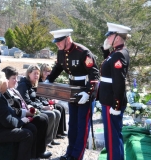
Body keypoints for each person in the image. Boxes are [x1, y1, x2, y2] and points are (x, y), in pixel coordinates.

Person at [46, 29, 100, 160]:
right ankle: (69, 153)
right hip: (72, 89)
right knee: (72, 124)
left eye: (59, 42)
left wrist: (88, 93)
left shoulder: (83, 52)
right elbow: (58, 67)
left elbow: (94, 75)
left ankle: (77, 156)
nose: (57, 45)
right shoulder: (61, 52)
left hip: (85, 90)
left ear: (68, 39)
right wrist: (49, 80)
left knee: (82, 125)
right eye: (56, 42)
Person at [0, 71, 36, 160]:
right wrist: (21, 121)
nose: (7, 80)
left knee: (30, 127)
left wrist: (23, 116)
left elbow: (10, 113)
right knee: (27, 134)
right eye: (5, 79)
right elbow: (8, 122)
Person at [1, 66, 52, 158]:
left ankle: (39, 150)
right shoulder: (5, 92)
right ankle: (35, 153)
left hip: (25, 113)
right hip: (18, 118)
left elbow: (23, 103)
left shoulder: (13, 90)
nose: (16, 81)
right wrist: (26, 112)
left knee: (43, 118)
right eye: (13, 78)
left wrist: (30, 108)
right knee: (40, 120)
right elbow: (12, 109)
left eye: (16, 78)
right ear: (6, 79)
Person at [99, 22, 131, 160]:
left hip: (111, 100)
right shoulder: (116, 53)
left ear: (117, 37)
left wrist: (116, 104)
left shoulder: (119, 54)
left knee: (112, 137)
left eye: (110, 35)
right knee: (114, 135)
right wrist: (106, 51)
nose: (107, 38)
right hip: (109, 99)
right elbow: (109, 67)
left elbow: (118, 81)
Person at [17, 65, 61, 147]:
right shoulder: (23, 85)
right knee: (51, 114)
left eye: (38, 74)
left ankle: (50, 139)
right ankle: (44, 142)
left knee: (57, 112)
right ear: (29, 74)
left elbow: (39, 99)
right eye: (35, 73)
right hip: (30, 110)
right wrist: (43, 107)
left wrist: (47, 105)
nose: (37, 76)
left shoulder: (34, 84)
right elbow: (27, 102)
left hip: (37, 106)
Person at [39, 63, 67, 138]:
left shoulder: (50, 81)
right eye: (45, 71)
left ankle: (60, 131)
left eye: (49, 71)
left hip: (48, 100)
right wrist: (49, 101)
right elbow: (40, 95)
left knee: (61, 107)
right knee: (58, 108)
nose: (47, 73)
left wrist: (53, 99)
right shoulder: (39, 81)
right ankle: (53, 134)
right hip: (42, 101)